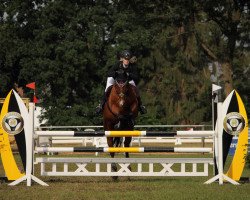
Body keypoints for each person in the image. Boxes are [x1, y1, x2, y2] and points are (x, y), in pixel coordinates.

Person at [95, 50, 147, 115]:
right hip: (115, 79)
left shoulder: (132, 66)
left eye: (128, 59)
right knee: (107, 88)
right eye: (125, 59)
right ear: (122, 59)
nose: (126, 61)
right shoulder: (118, 64)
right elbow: (108, 73)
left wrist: (128, 74)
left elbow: (136, 77)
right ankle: (100, 105)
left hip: (127, 80)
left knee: (135, 89)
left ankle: (141, 106)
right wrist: (116, 73)